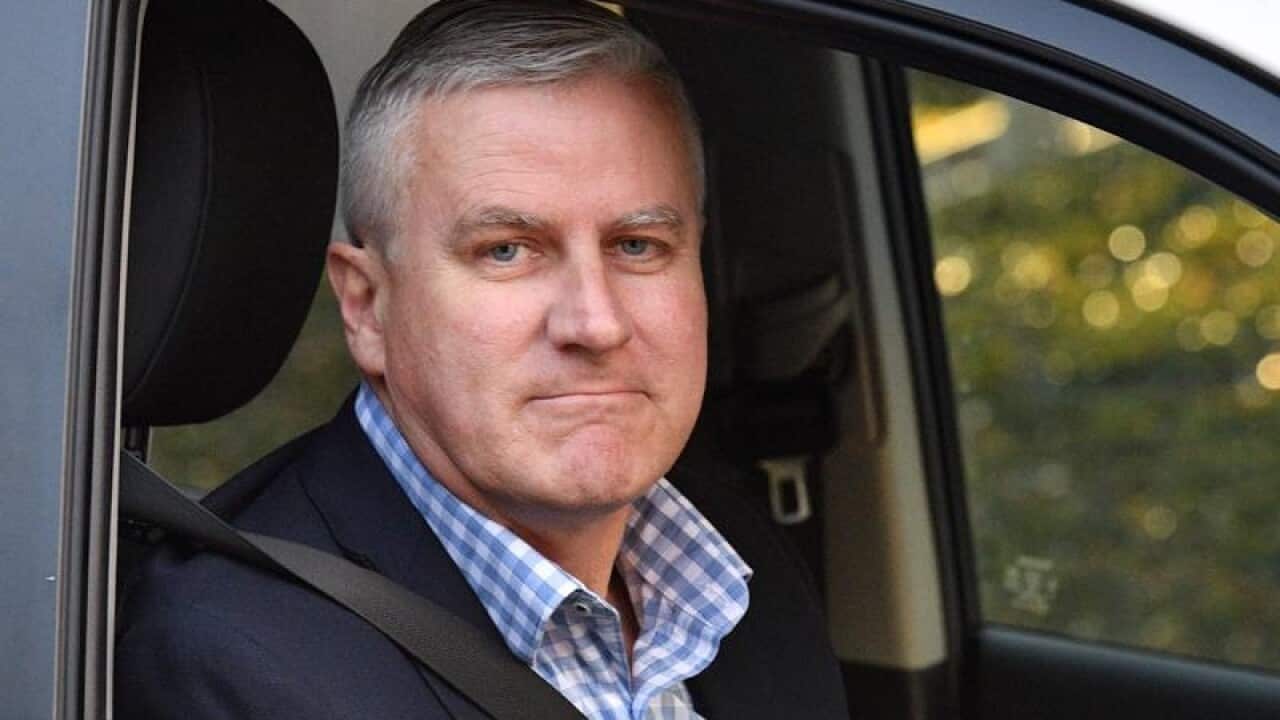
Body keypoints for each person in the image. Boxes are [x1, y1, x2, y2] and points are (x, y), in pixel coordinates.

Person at [116, 1, 848, 718]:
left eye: (638, 246)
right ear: (367, 306)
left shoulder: (735, 563)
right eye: (506, 251)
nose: (596, 324)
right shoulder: (227, 664)